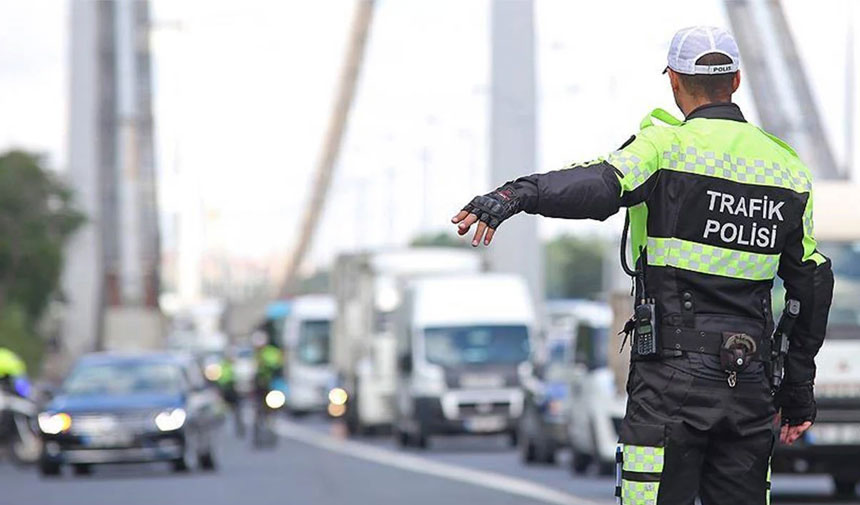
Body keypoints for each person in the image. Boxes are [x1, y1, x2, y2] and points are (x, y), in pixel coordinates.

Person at [452, 26, 833, 505]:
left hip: (670, 384)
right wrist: (797, 390)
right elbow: (812, 284)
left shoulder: (663, 147)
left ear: (674, 81)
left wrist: (515, 195)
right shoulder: (788, 170)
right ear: (736, 81)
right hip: (749, 383)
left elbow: (597, 185)